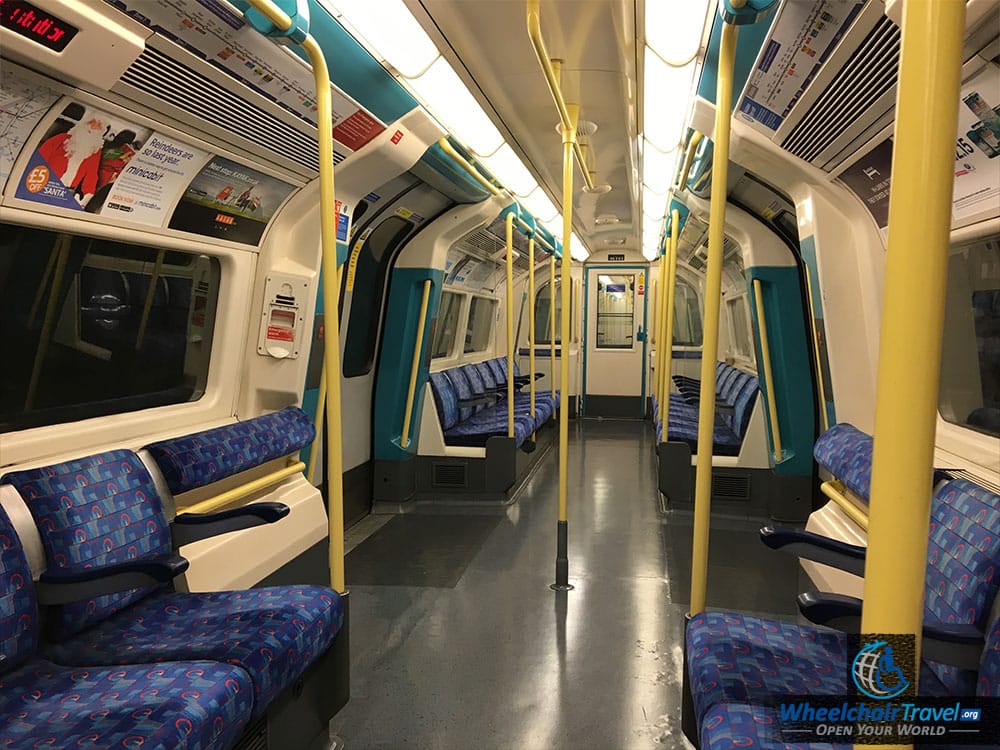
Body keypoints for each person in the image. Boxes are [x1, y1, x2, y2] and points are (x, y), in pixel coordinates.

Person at [37, 115, 108, 205]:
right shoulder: (61, 139)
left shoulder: (95, 151)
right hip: (46, 185)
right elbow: (38, 161)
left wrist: (87, 197)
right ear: (85, 123)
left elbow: (91, 175)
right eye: (93, 122)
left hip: (68, 192)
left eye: (100, 125)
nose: (95, 127)